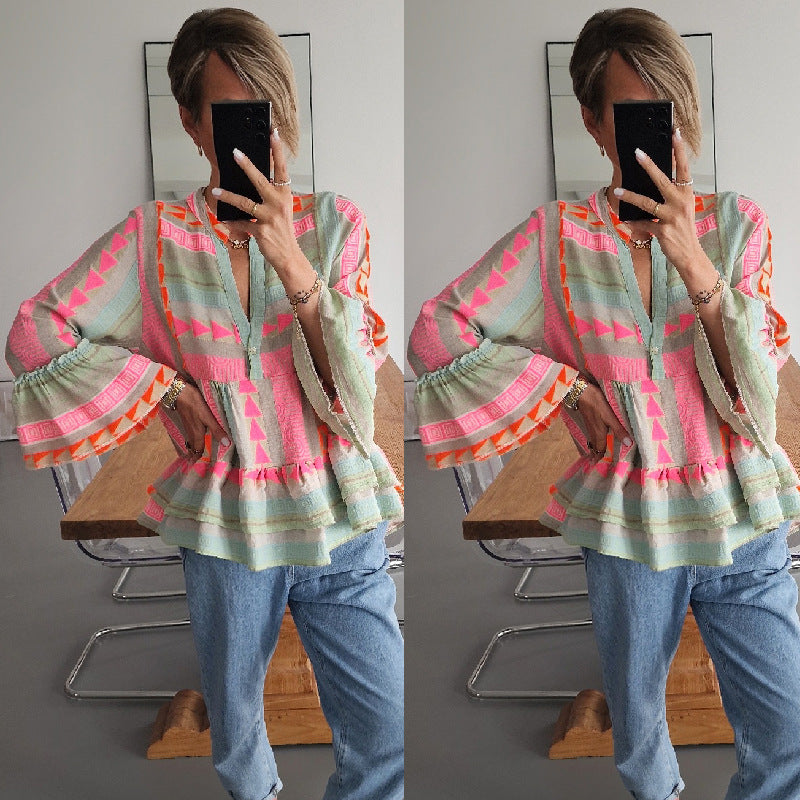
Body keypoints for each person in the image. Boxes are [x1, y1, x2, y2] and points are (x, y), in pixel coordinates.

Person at [6, 8, 403, 800]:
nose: (262, 132)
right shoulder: (155, 238)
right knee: (238, 727)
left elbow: (354, 393)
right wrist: (159, 387)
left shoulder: (335, 224)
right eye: (233, 113)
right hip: (228, 528)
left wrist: (288, 256)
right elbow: (34, 330)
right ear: (191, 123)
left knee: (387, 731)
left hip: (342, 518)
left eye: (271, 107)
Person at [408, 8, 800, 800]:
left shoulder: (736, 224)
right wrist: (562, 388)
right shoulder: (556, 239)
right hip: (628, 525)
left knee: (788, 733)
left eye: (670, 107)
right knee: (639, 724)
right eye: (633, 112)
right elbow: (435, 331)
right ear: (592, 122)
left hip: (743, 513)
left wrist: (691, 257)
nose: (662, 131)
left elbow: (757, 391)